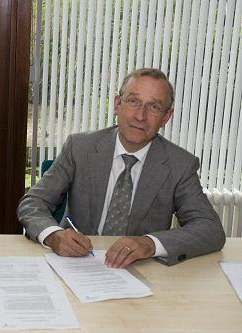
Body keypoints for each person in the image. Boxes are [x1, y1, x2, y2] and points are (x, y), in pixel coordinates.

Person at [17, 68, 225, 268]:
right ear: (117, 104)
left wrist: (149, 244)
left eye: (153, 106)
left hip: (141, 270)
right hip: (75, 264)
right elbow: (33, 202)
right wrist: (53, 235)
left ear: (165, 117)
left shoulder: (180, 164)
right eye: (133, 101)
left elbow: (210, 229)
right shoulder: (79, 148)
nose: (140, 116)